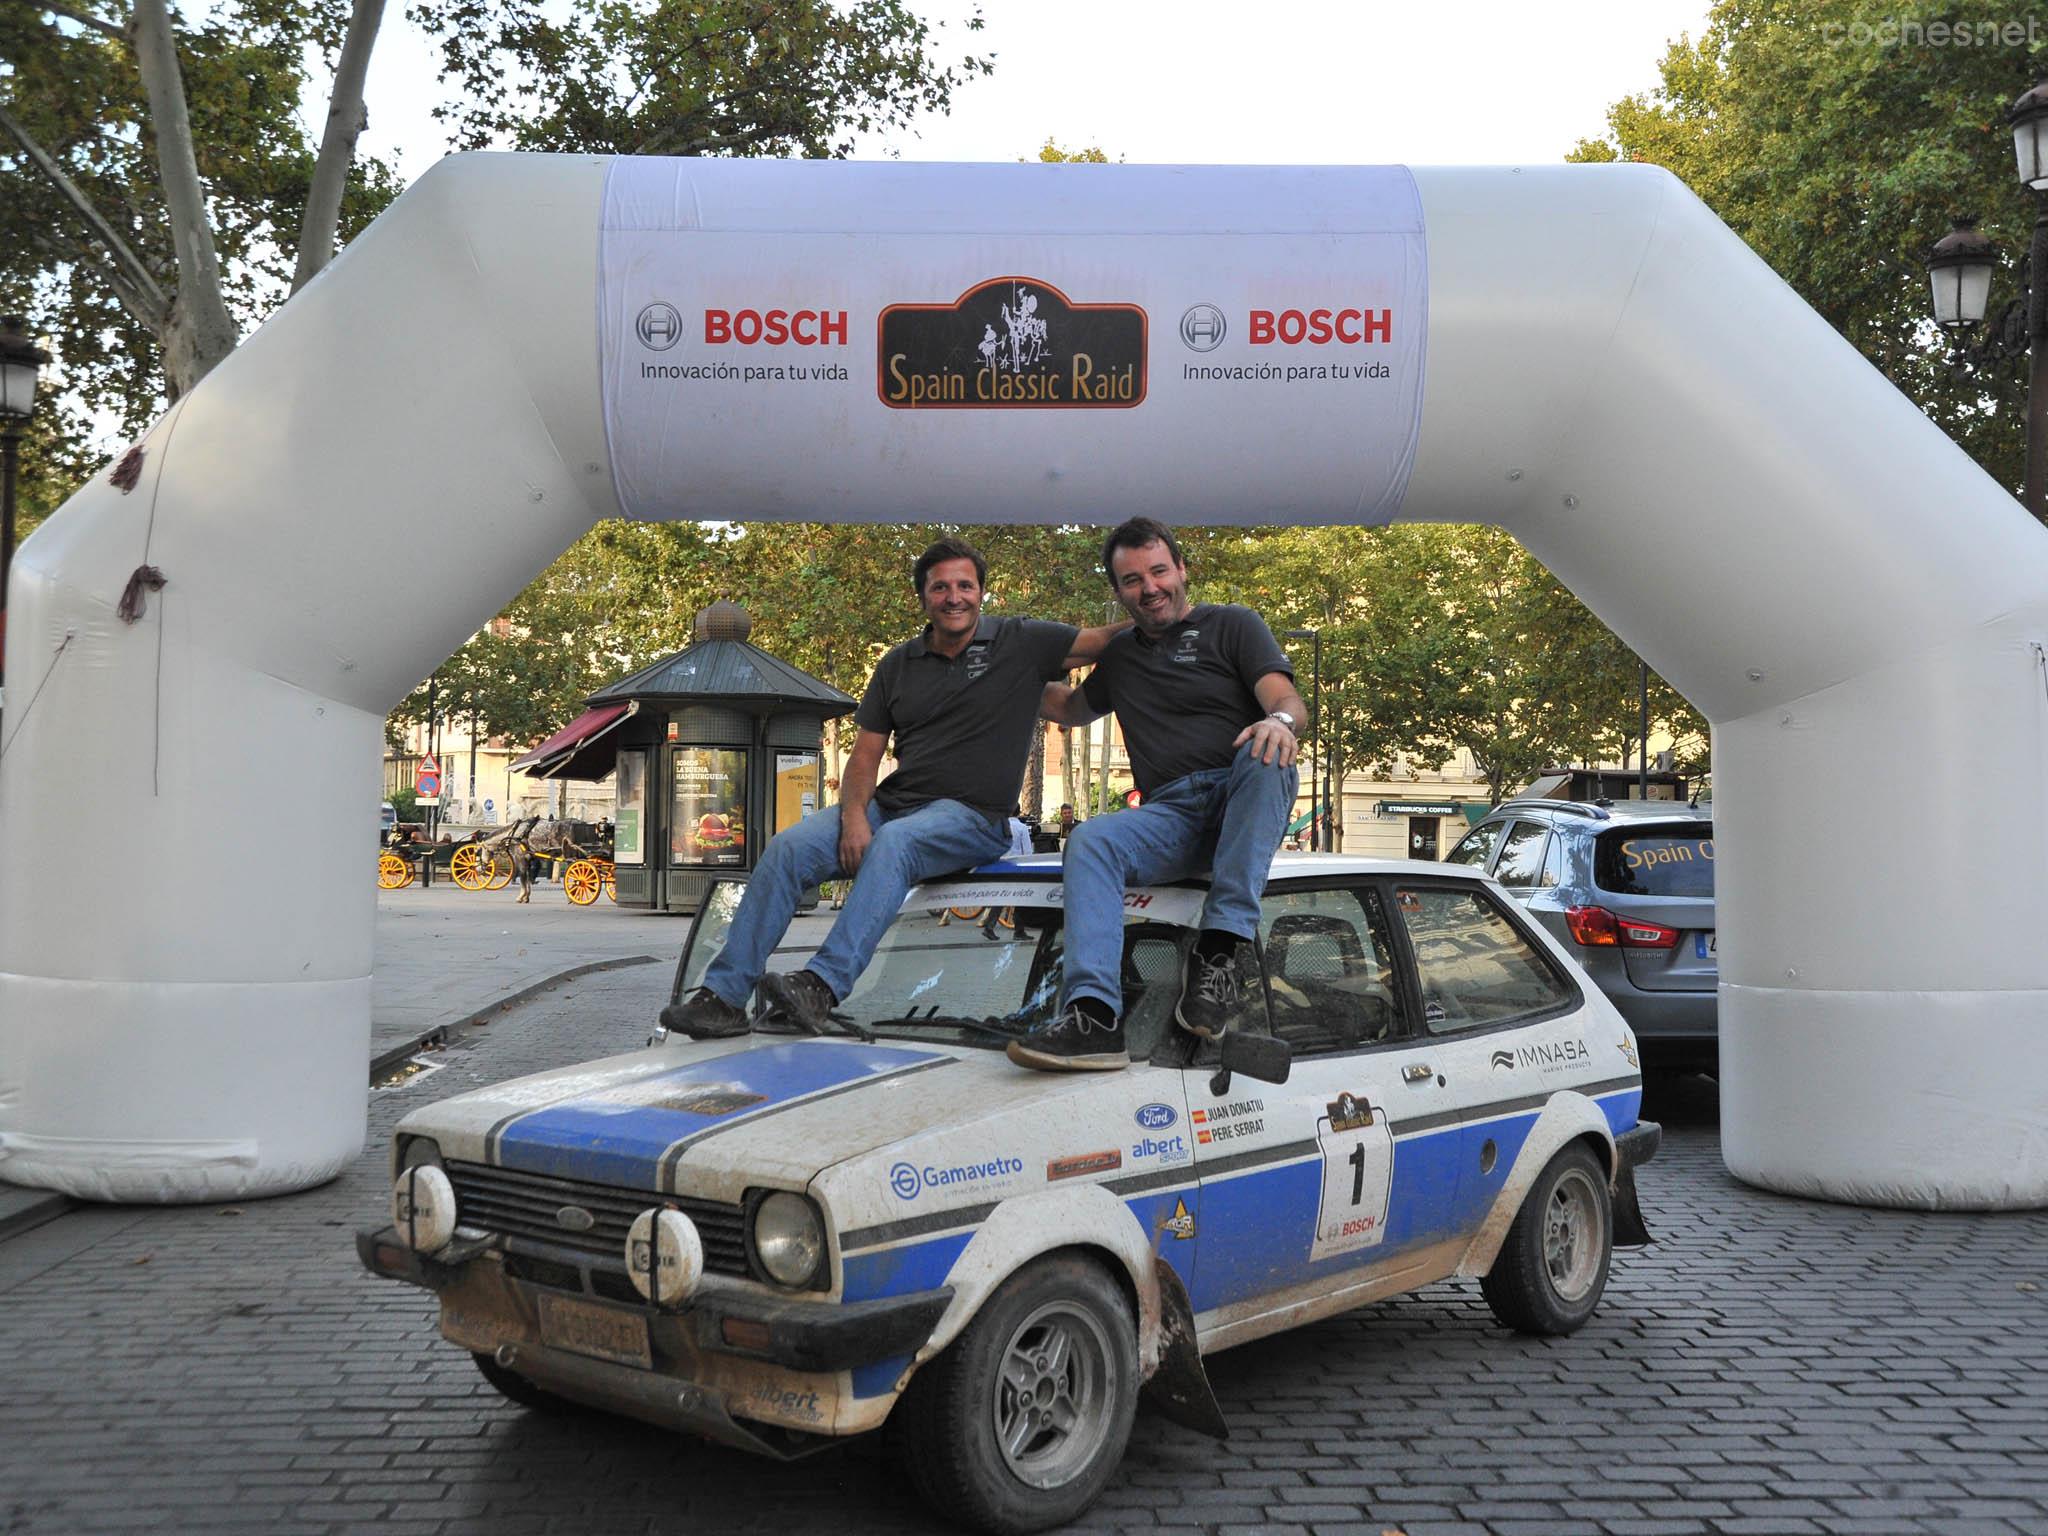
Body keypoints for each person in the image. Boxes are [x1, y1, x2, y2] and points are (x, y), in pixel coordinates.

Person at [663, 537, 1123, 1039]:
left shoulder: (1021, 642)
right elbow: (864, 756)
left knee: (896, 843)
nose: (954, 597)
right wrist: (855, 817)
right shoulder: (897, 665)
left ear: (982, 593)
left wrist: (1175, 613)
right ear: (923, 598)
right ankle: (725, 998)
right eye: (940, 587)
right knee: (787, 847)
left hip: (972, 818)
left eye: (965, 585)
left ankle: (821, 985)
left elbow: (1102, 642)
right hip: (893, 807)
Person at [1009, 517, 1307, 1071]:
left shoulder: (1234, 625)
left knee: (1267, 750)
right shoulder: (1119, 655)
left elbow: (1287, 700)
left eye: (1158, 571)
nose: (1149, 588)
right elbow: (1069, 710)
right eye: (1131, 580)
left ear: (1181, 569)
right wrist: (999, 674)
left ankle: (1218, 956)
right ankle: (1095, 1017)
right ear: (1118, 591)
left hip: (1245, 789)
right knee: (1092, 840)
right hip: (1172, 813)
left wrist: (1280, 722)